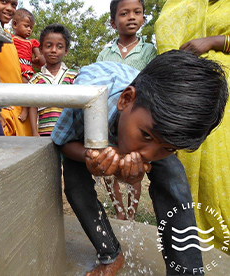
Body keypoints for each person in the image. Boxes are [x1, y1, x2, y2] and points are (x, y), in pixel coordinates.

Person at [51, 51, 228, 275]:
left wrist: (150, 151)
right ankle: (110, 255)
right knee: (75, 185)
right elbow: (62, 142)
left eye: (169, 148)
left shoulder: (158, 129)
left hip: (143, 115)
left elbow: (155, 144)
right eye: (146, 136)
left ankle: (187, 271)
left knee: (175, 180)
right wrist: (90, 156)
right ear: (126, 100)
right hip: (89, 132)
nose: (147, 155)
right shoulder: (85, 98)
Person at [155, 0, 230, 254]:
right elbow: (167, 34)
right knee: (189, 158)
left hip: (225, 94)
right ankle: (191, 240)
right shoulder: (184, 2)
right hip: (190, 90)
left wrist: (214, 41)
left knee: (220, 171)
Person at [97, 0, 157, 220]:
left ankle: (131, 212)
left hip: (136, 117)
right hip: (111, 116)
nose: (131, 17)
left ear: (143, 18)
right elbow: (99, 83)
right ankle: (119, 211)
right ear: (113, 22)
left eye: (137, 12)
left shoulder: (149, 50)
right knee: (109, 162)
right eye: (124, 13)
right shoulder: (105, 53)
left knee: (134, 165)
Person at [0, 0, 32, 136]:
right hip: (1, 107)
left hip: (17, 109)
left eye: (14, 5)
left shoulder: (9, 38)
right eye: (4, 2)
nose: (9, 8)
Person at [29, 24, 78, 137]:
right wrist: (34, 132)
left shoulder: (74, 76)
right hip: (44, 134)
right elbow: (32, 106)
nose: (53, 50)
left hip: (68, 135)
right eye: (49, 45)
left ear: (66, 51)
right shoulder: (36, 79)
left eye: (59, 47)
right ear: (41, 49)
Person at [12, 8, 45, 122]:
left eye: (31, 27)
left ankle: (25, 109)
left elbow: (41, 60)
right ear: (15, 25)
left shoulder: (32, 42)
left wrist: (37, 59)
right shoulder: (10, 39)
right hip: (13, 66)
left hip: (25, 67)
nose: (29, 30)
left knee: (26, 84)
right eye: (26, 26)